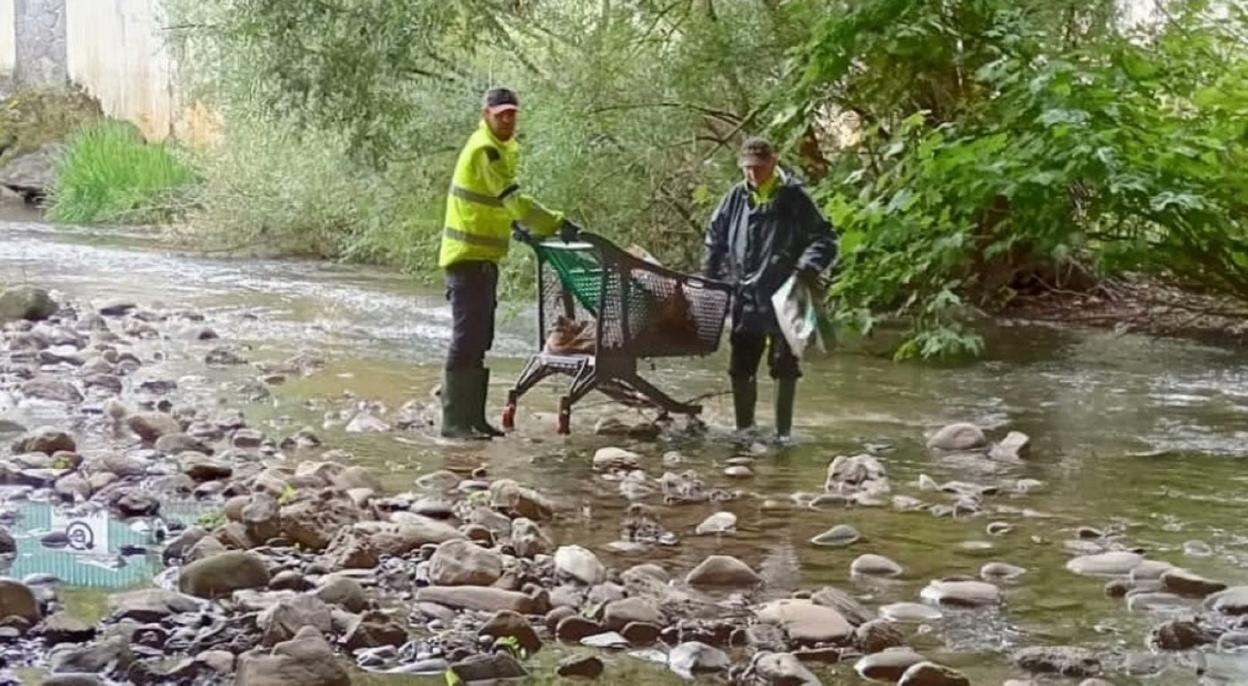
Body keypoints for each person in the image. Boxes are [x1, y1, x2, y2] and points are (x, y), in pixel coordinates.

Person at [440, 87, 580, 439]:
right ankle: (455, 421)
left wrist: (515, 225)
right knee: (467, 338)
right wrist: (556, 222)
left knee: (480, 338)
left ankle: (472, 419)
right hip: (466, 258)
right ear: (486, 114)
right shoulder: (485, 150)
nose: (508, 120)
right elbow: (513, 200)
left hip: (482, 258)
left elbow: (497, 204)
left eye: (512, 114)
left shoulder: (498, 148)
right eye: (501, 114)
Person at [702, 137, 837, 440]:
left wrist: (806, 268)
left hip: (786, 293)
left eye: (758, 167)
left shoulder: (795, 198)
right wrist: (710, 280)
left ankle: (782, 436)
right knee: (740, 365)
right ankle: (743, 431)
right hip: (745, 294)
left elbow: (825, 239)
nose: (752, 173)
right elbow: (715, 239)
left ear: (773, 163)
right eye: (747, 168)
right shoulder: (735, 197)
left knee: (785, 365)